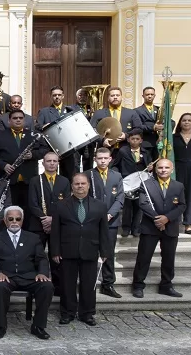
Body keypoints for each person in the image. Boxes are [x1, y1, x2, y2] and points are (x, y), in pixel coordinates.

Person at [50, 173, 109, 326]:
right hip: (67, 251)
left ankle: (87, 313)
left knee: (89, 285)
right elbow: (55, 230)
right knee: (67, 284)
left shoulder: (100, 206)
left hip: (90, 250)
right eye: (77, 184)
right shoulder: (61, 205)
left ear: (88, 185)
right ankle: (67, 313)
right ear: (72, 186)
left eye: (83, 184)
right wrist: (55, 251)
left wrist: (105, 252)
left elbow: (104, 231)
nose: (80, 186)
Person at [0, 206, 53, 340]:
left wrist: (42, 273)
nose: (14, 222)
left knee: (47, 286)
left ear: (22, 220)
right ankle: (1, 326)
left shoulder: (33, 238)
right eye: (10, 219)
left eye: (18, 219)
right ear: (5, 221)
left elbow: (41, 259)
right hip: (6, 277)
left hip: (28, 276)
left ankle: (38, 326)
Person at [132, 159, 186, 298]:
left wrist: (166, 219)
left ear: (171, 170)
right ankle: (138, 285)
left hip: (170, 227)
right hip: (150, 227)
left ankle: (166, 285)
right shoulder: (146, 184)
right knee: (144, 257)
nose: (163, 170)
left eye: (166, 167)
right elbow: (143, 203)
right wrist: (158, 219)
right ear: (155, 169)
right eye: (160, 167)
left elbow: (181, 206)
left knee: (168, 258)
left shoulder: (178, 186)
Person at [84, 147, 124, 299]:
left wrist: (109, 214)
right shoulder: (88, 175)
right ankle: (89, 282)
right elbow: (83, 197)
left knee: (108, 252)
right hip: (91, 221)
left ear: (110, 159)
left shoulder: (117, 176)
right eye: (99, 158)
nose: (102, 161)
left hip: (110, 222)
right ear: (95, 159)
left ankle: (108, 283)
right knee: (90, 252)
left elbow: (120, 198)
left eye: (105, 158)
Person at [27, 152, 69, 291]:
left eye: (54, 161)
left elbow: (67, 203)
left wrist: (53, 219)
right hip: (38, 224)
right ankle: (36, 284)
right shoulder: (35, 180)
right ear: (43, 163)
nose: (52, 163)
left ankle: (57, 286)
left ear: (58, 163)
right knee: (37, 255)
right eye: (49, 161)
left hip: (57, 225)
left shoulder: (64, 181)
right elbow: (32, 204)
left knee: (56, 256)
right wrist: (44, 219)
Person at [0, 109, 48, 210]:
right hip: (8, 180)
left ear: (25, 120)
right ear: (9, 121)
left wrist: (33, 155)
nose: (18, 120)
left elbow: (45, 150)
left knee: (28, 211)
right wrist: (3, 165)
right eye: (15, 118)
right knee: (9, 210)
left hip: (29, 180)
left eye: (20, 118)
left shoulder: (33, 135)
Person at [112, 128, 153, 237]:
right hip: (127, 182)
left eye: (137, 139)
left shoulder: (145, 152)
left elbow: (150, 167)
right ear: (128, 140)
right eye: (132, 139)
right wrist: (118, 176)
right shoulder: (123, 151)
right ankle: (126, 228)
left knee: (139, 206)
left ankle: (136, 228)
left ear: (141, 140)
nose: (135, 141)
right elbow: (115, 165)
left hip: (141, 183)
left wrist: (150, 168)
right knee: (127, 206)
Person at [36, 86, 78, 180]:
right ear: (51, 97)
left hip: (68, 148)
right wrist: (43, 126)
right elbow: (37, 126)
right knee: (51, 176)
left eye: (59, 95)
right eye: (54, 95)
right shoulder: (44, 111)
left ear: (63, 96)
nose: (57, 97)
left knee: (69, 176)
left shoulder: (70, 110)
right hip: (51, 148)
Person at [89, 86, 142, 158]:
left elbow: (139, 129)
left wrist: (126, 135)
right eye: (112, 95)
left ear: (121, 97)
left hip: (126, 149)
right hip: (106, 152)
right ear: (108, 98)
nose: (115, 97)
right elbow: (91, 130)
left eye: (117, 95)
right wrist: (102, 140)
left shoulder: (131, 113)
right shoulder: (99, 113)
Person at [135, 86, 163, 160]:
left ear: (154, 95)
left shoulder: (159, 109)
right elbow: (138, 126)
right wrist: (153, 127)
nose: (150, 96)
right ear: (143, 96)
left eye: (152, 94)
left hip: (159, 143)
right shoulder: (137, 111)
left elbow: (171, 122)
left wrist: (164, 128)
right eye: (147, 94)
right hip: (145, 143)